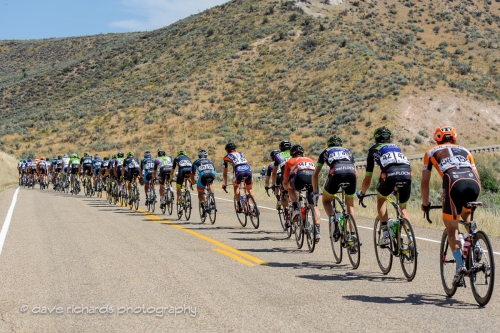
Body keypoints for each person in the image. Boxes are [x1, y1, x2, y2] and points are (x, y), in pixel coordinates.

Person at [421, 125, 481, 286]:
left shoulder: (431, 152)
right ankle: (477, 241)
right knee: (466, 213)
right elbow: (476, 175)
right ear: (454, 137)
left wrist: (425, 204)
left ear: (437, 138)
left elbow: (425, 183)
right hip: (473, 183)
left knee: (452, 228)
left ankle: (460, 265)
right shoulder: (466, 151)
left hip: (453, 182)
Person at [357, 126, 412, 246]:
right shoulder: (397, 147)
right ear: (390, 139)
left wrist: (362, 193)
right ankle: (411, 237)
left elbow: (368, 178)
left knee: (381, 199)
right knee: (403, 208)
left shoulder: (372, 150)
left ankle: (386, 234)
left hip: (390, 174)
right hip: (407, 173)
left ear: (376, 139)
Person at [312, 135, 357, 241]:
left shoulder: (325, 151)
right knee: (350, 205)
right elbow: (356, 173)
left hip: (336, 172)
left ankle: (334, 219)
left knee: (326, 201)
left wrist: (315, 192)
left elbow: (315, 174)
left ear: (329, 144)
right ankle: (353, 235)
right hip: (351, 173)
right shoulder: (348, 151)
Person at [283, 144, 321, 242]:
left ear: (292, 154)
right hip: (313, 180)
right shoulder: (310, 159)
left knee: (291, 188)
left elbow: (285, 180)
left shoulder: (290, 161)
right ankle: (317, 230)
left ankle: (295, 207)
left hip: (300, 178)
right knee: (314, 205)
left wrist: (286, 189)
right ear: (302, 153)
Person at [222, 142, 256, 212]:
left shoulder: (226, 157)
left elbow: (225, 173)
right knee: (249, 188)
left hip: (238, 170)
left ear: (227, 150)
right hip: (248, 168)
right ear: (235, 149)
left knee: (236, 186)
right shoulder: (241, 153)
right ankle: (255, 207)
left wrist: (225, 183)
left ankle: (239, 205)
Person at [190, 149, 217, 216]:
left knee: (200, 192)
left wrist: (193, 182)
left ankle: (203, 206)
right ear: (206, 156)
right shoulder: (210, 161)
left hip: (203, 176)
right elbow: (214, 170)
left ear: (199, 156)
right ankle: (212, 198)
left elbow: (192, 174)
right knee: (210, 184)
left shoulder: (196, 162)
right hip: (212, 175)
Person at [271, 140, 292, 216]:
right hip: (295, 173)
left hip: (284, 174)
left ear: (280, 148)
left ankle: (286, 212)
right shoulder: (293, 153)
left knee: (283, 193)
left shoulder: (278, 156)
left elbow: (274, 173)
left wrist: (273, 184)